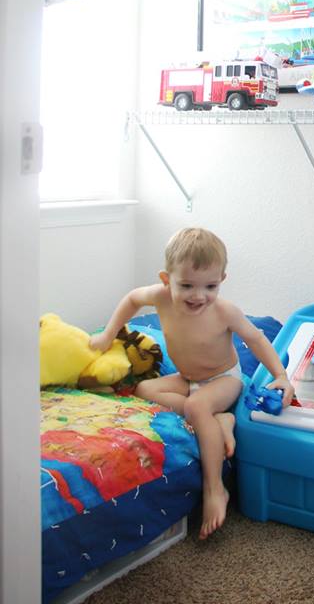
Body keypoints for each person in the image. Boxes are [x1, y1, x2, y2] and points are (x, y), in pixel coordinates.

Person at [89, 227, 294, 539]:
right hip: (188, 378)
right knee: (144, 389)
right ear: (165, 279)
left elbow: (256, 339)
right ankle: (219, 422)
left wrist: (280, 376)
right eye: (186, 285)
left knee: (198, 405)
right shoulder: (158, 297)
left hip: (224, 379)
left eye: (210, 286)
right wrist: (108, 334)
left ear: (222, 280)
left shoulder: (224, 311)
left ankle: (215, 490)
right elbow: (131, 299)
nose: (199, 296)